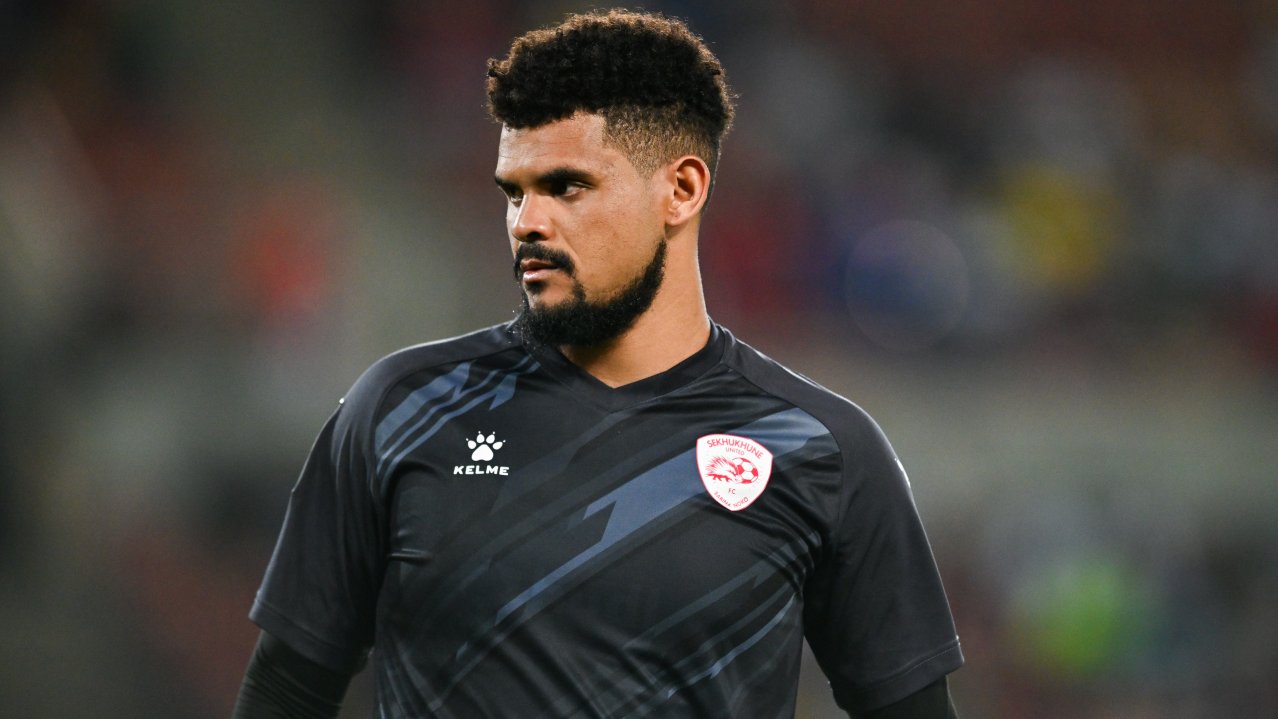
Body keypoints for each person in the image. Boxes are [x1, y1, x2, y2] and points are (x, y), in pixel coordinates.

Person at [233, 9, 962, 718]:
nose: (529, 222)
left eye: (567, 187)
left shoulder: (822, 449)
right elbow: (287, 691)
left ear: (681, 190)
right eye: (514, 192)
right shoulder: (398, 410)